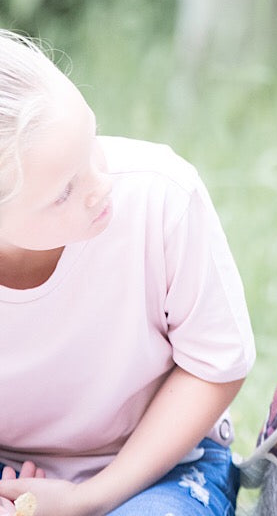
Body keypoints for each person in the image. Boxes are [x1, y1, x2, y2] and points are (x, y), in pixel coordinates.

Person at [0, 30, 256, 516]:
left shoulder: (162, 198)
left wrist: (88, 497)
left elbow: (214, 365)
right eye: (62, 192)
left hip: (166, 467)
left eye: (90, 142)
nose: (100, 185)